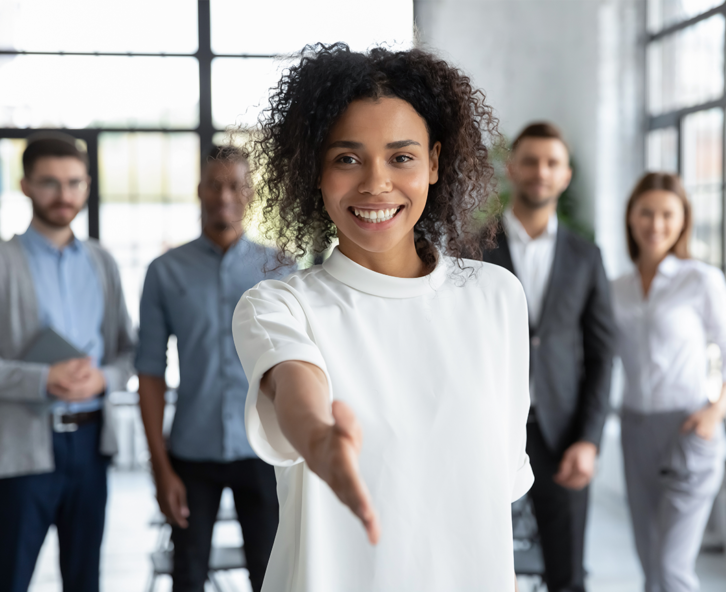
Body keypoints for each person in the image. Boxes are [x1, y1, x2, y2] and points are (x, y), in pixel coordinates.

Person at [231, 43, 533, 591]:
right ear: (315, 171)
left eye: (401, 157)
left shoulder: (498, 298)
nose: (375, 183)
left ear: (435, 162)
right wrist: (319, 438)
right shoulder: (280, 306)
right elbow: (297, 387)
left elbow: (500, 479)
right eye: (347, 158)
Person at [135, 146, 286, 592]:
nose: (225, 195)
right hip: (191, 454)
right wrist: (160, 469)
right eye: (215, 184)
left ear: (251, 193)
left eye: (236, 184)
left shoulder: (278, 269)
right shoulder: (164, 272)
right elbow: (149, 371)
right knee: (188, 576)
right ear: (200, 192)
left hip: (263, 450)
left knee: (272, 572)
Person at [483, 122, 616, 592]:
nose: (541, 171)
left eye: (552, 162)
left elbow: (603, 354)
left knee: (567, 572)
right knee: (482, 564)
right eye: (532, 160)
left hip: (564, 435)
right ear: (512, 168)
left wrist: (590, 439)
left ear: (566, 175)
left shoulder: (586, 256)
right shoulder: (473, 250)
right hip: (490, 430)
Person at [0, 135, 135, 592]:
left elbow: (127, 352)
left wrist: (103, 378)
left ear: (88, 185)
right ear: (25, 186)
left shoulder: (102, 263)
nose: (64, 195)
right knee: (11, 576)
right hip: (23, 450)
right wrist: (43, 379)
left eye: (74, 183)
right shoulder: (4, 262)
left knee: (85, 580)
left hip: (92, 444)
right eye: (50, 183)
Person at [612, 172, 726, 592]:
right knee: (651, 565)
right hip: (635, 430)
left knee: (671, 567)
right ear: (630, 218)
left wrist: (715, 411)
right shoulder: (617, 289)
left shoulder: (700, 279)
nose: (656, 224)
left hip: (690, 427)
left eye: (668, 214)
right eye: (646, 212)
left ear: (683, 220)